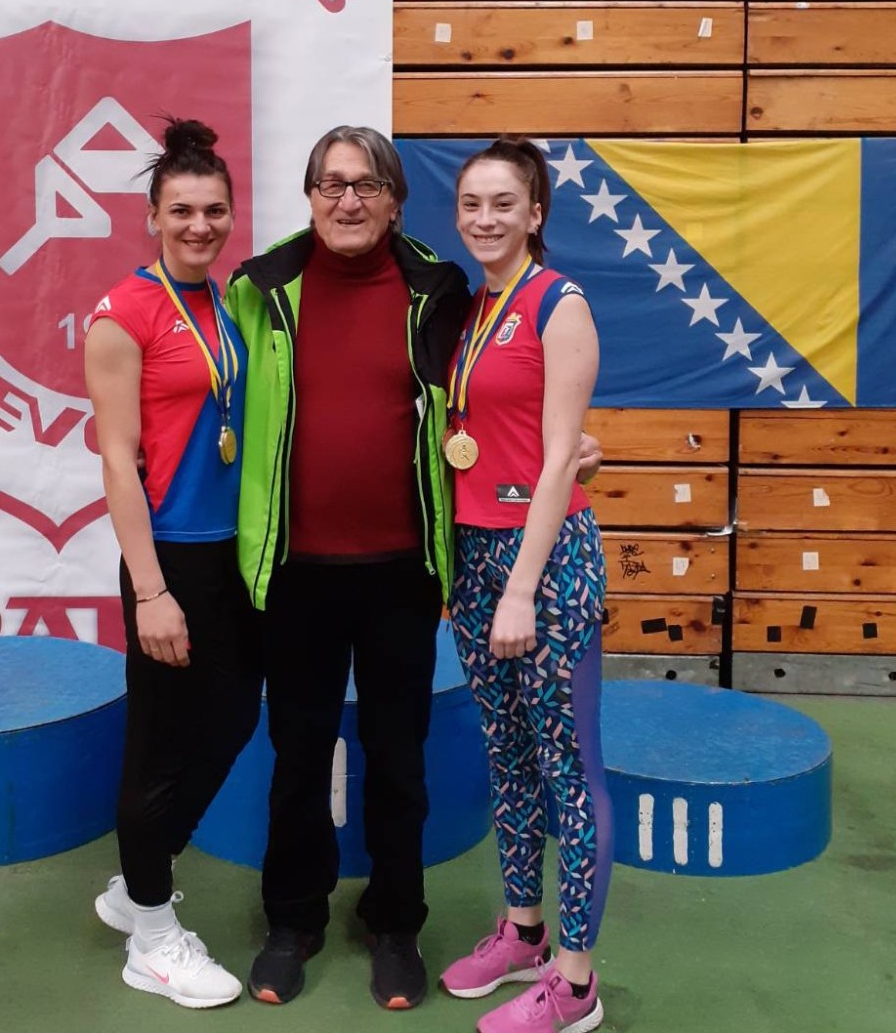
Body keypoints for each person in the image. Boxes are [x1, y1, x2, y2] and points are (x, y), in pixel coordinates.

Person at [225, 125, 474, 1010]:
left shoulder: (441, 290)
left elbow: (489, 396)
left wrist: (573, 443)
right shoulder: (259, 288)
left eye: (367, 184)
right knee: (298, 755)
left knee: (398, 758)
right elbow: (211, 394)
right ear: (309, 197)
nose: (348, 200)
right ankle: (292, 919)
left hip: (403, 571)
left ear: (395, 200)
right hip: (296, 572)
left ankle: (395, 923)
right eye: (331, 184)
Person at [84, 118, 262, 1010]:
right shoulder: (124, 314)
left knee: (233, 717)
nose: (199, 225)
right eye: (182, 210)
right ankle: (151, 939)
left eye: (214, 210)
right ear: (153, 216)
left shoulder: (224, 304)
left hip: (232, 554)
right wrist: (150, 590)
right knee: (158, 746)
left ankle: (135, 884)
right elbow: (118, 463)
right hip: (169, 561)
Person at [439, 137, 611, 1033]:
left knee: (567, 770)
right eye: (471, 203)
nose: (485, 218)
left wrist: (521, 588)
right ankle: (524, 931)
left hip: (544, 566)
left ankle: (575, 984)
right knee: (506, 758)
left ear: (536, 212)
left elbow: (557, 461)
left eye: (503, 203)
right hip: (474, 559)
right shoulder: (471, 308)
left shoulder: (559, 303)